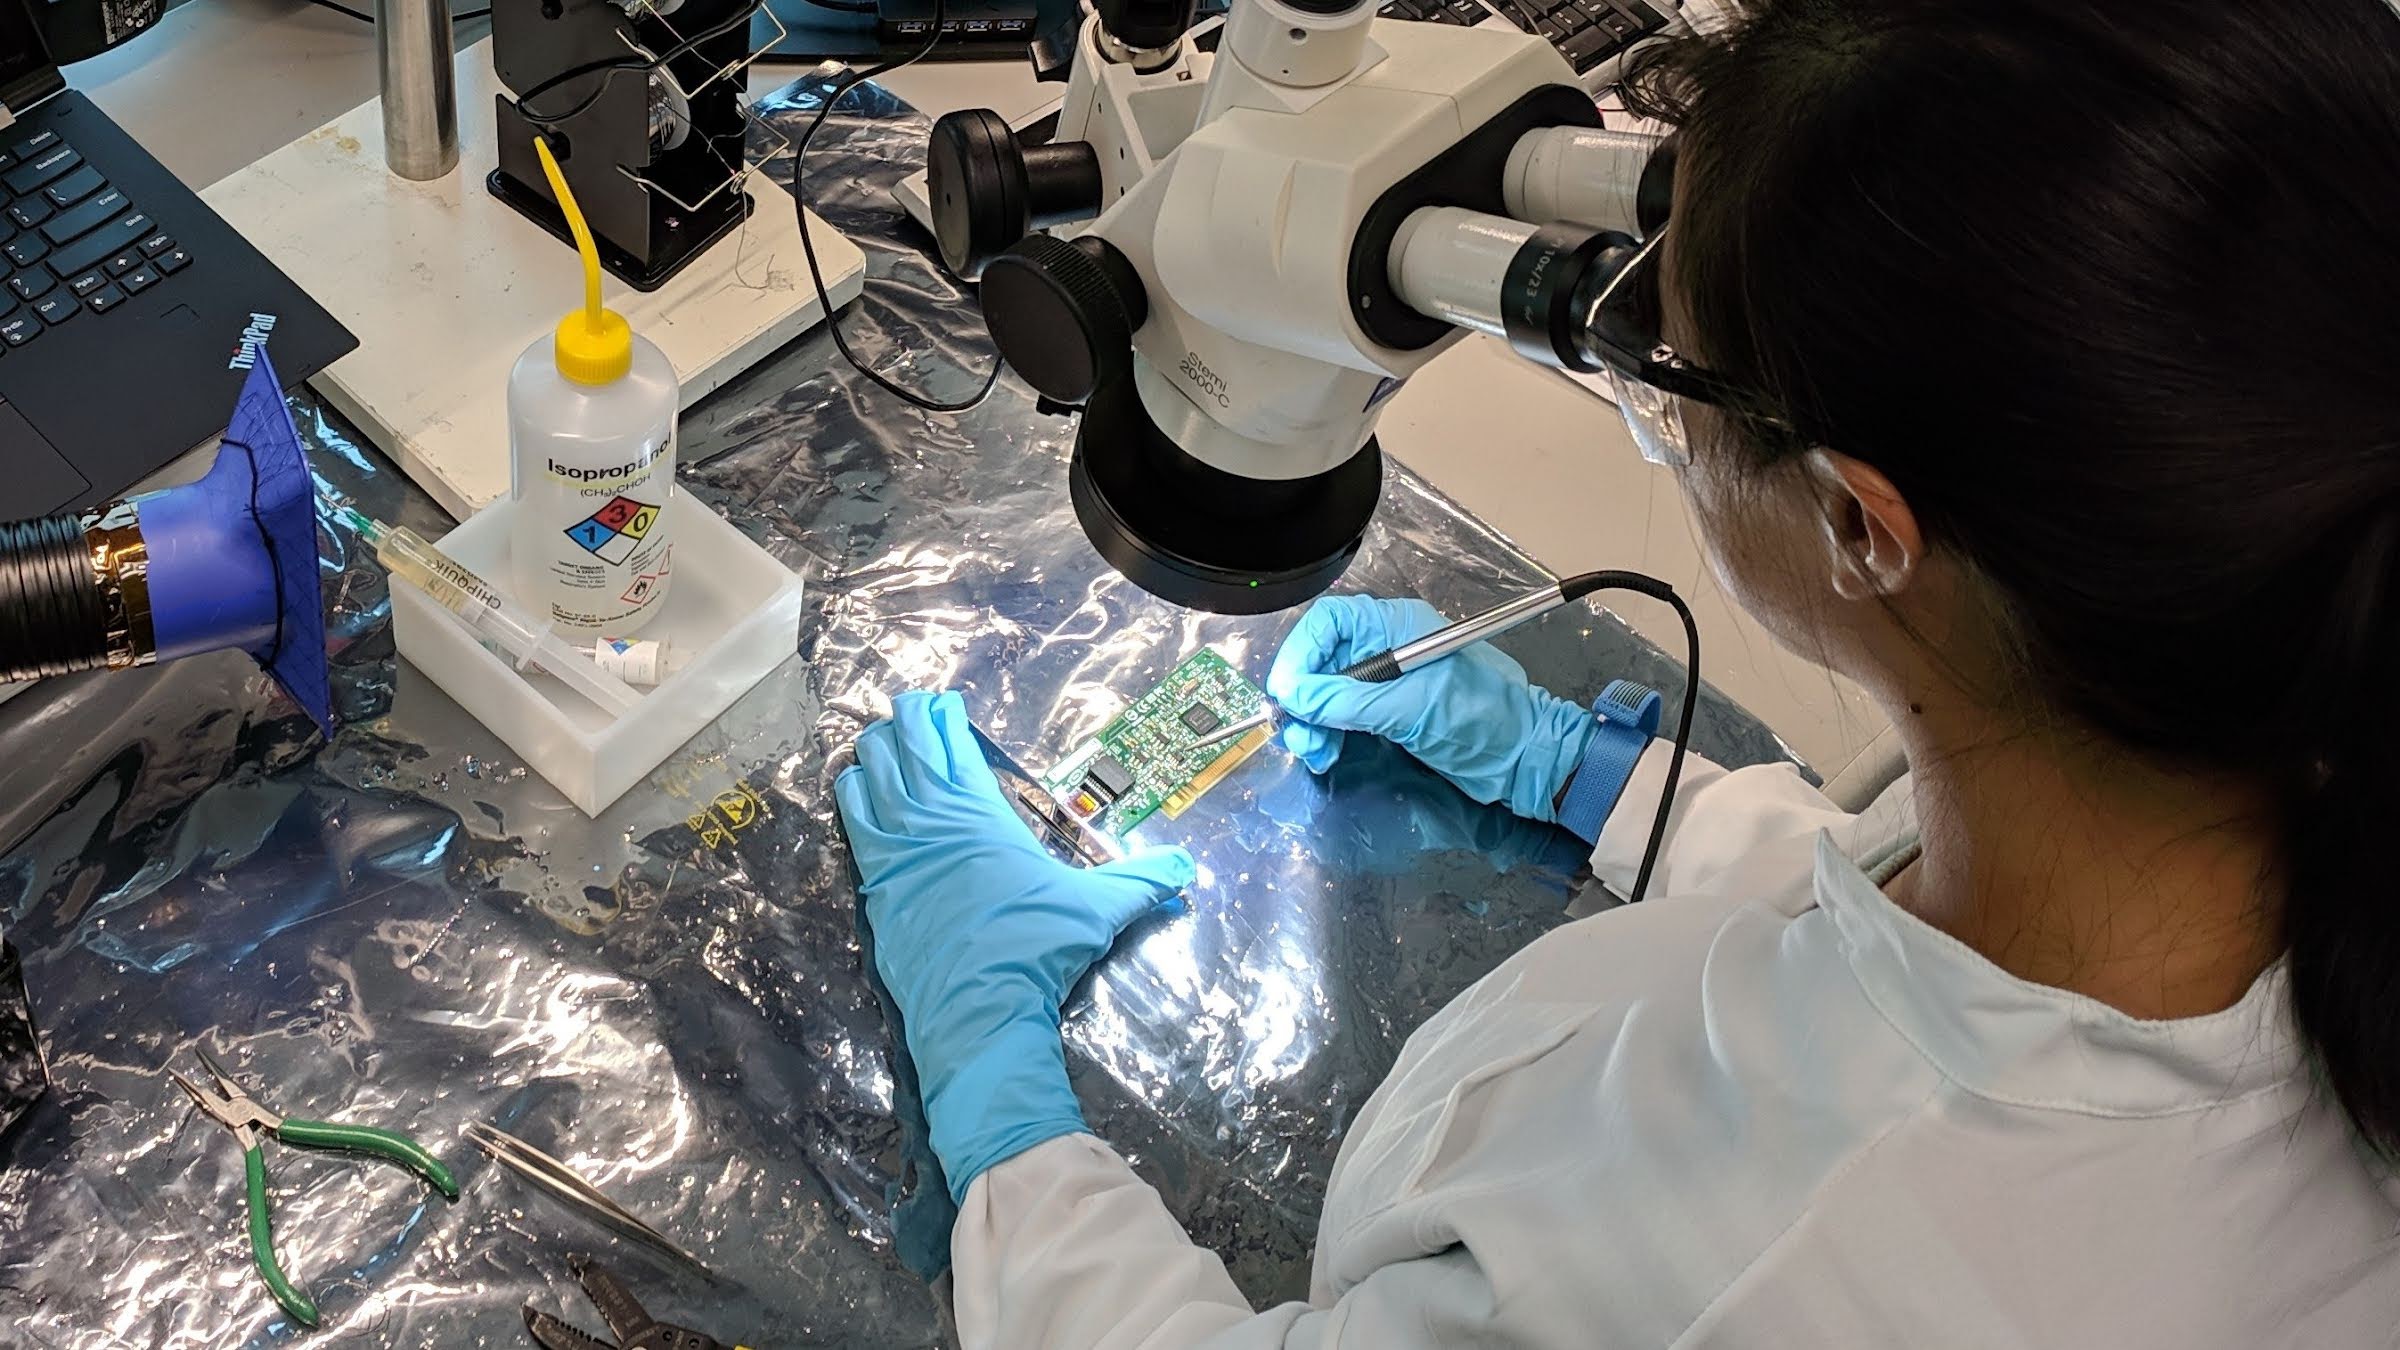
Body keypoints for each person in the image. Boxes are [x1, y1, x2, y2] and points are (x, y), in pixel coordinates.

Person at [832, 0, 2400, 1342]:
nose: (1641, 370)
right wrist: (1607, 780)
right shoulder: (2261, 760)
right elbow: (1993, 989)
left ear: (1861, 522)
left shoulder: (1733, 1275)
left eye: (1654, 337)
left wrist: (1005, 1119)